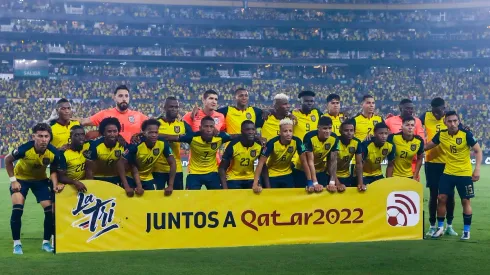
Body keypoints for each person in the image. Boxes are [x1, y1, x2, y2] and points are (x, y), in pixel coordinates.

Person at [424, 111, 482, 240]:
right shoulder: (442, 135)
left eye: (455, 121)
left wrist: (477, 169)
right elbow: (427, 146)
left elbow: (478, 150)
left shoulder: (466, 134)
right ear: (445, 122)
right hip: (448, 172)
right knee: (441, 198)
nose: (452, 124)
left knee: (465, 201)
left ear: (459, 121)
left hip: (464, 174)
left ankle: (466, 231)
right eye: (449, 121)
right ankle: (440, 228)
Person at [5, 123, 61, 254]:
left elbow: (53, 171)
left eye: (46, 136)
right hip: (21, 180)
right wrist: (13, 181)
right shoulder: (25, 148)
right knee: (18, 208)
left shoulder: (54, 153)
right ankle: (17, 244)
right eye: (40, 136)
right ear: (33, 137)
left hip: (40, 181)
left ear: (50, 137)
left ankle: (46, 243)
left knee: (50, 211)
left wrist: (54, 184)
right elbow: (8, 160)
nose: (43, 139)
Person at [420, 97, 456, 236]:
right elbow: (415, 125)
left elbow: (459, 130)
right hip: (431, 162)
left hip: (448, 162)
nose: (436, 115)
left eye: (439, 111)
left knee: (450, 196)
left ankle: (449, 226)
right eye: (434, 112)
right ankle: (432, 226)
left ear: (444, 108)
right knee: (434, 195)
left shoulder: (449, 118)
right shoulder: (426, 116)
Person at [166, 116, 231, 190]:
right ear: (200, 128)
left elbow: (236, 136)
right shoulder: (192, 137)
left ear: (214, 129)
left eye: (211, 127)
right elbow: (170, 137)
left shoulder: (220, 137)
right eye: (206, 126)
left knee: (216, 199)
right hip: (194, 173)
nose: (209, 130)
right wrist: (153, 136)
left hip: (212, 172)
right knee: (190, 199)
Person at [118, 119, 176, 197]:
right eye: (151, 132)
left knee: (153, 202)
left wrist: (170, 185)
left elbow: (173, 163)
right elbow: (121, 164)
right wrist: (127, 186)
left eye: (156, 132)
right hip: (131, 178)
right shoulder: (135, 145)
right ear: (144, 133)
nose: (154, 135)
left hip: (148, 177)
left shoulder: (163, 143)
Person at [252, 118, 311, 193]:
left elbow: (304, 161)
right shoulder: (271, 143)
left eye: (290, 131)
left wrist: (310, 181)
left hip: (287, 174)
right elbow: (261, 163)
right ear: (280, 132)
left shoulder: (298, 141)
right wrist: (255, 183)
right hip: (273, 174)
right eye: (285, 131)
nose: (288, 133)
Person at [79, 85, 148, 143]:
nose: (124, 99)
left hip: (132, 155)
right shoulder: (105, 114)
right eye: (120, 96)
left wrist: (141, 134)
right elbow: (83, 122)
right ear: (114, 97)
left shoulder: (138, 116)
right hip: (112, 155)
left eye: (126, 96)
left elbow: (153, 127)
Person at [153, 97, 190, 191]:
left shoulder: (182, 125)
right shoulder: (157, 123)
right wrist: (175, 137)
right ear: (165, 108)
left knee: (178, 199)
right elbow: (151, 135)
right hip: (158, 168)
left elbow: (193, 136)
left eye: (176, 107)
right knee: (157, 199)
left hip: (177, 168)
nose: (174, 109)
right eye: (171, 107)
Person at [293, 116, 339, 192]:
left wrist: (332, 182)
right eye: (325, 128)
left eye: (330, 128)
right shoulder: (309, 137)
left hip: (320, 170)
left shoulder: (335, 138)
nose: (327, 131)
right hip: (302, 171)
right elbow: (309, 161)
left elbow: (333, 160)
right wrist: (315, 183)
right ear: (318, 128)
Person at [385, 99, 425, 181]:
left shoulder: (417, 121)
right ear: (400, 108)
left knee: (412, 191)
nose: (410, 111)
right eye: (407, 108)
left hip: (412, 162)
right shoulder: (389, 121)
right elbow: (382, 134)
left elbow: (421, 141)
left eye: (411, 108)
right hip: (395, 164)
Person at [218, 120, 262, 189]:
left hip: (250, 178)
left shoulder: (258, 145)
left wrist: (260, 183)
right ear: (242, 132)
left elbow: (263, 166)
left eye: (253, 129)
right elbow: (222, 168)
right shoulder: (233, 145)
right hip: (233, 178)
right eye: (247, 130)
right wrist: (225, 189)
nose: (251, 132)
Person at [84, 117, 126, 185]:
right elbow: (89, 171)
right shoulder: (94, 146)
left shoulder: (123, 144)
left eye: (115, 131)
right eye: (109, 131)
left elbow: (124, 166)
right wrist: (91, 186)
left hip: (115, 178)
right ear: (103, 132)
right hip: (98, 178)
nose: (112, 134)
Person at [58, 125, 89, 193]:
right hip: (68, 187)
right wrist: (75, 182)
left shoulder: (88, 146)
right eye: (77, 135)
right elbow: (61, 177)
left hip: (84, 185)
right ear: (70, 138)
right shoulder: (63, 154)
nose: (81, 137)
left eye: (82, 134)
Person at [335, 120, 364, 190]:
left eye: (351, 130)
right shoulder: (335, 142)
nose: (349, 133)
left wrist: (360, 183)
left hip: (346, 176)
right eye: (346, 130)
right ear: (340, 131)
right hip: (331, 176)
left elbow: (359, 164)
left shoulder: (356, 142)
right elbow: (330, 164)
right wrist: (337, 183)